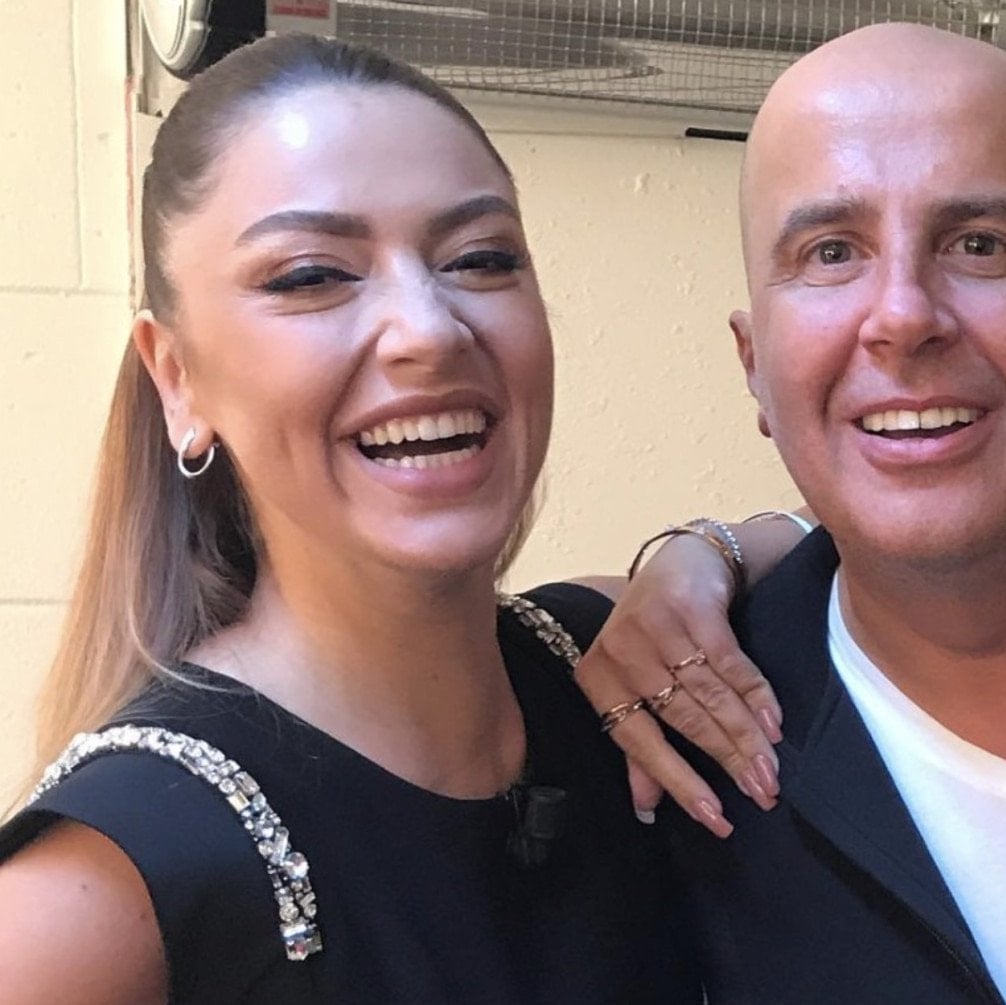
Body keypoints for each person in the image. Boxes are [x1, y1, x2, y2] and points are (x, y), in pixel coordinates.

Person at [0, 33, 804, 1003]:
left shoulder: (611, 665)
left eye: (481, 259)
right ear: (177, 377)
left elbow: (858, 545)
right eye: (311, 276)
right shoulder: (90, 896)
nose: (428, 329)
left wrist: (702, 556)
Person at [575, 22, 1006, 1005]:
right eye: (831, 252)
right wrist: (705, 551)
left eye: (980, 244)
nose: (904, 316)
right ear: (755, 366)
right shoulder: (672, 753)